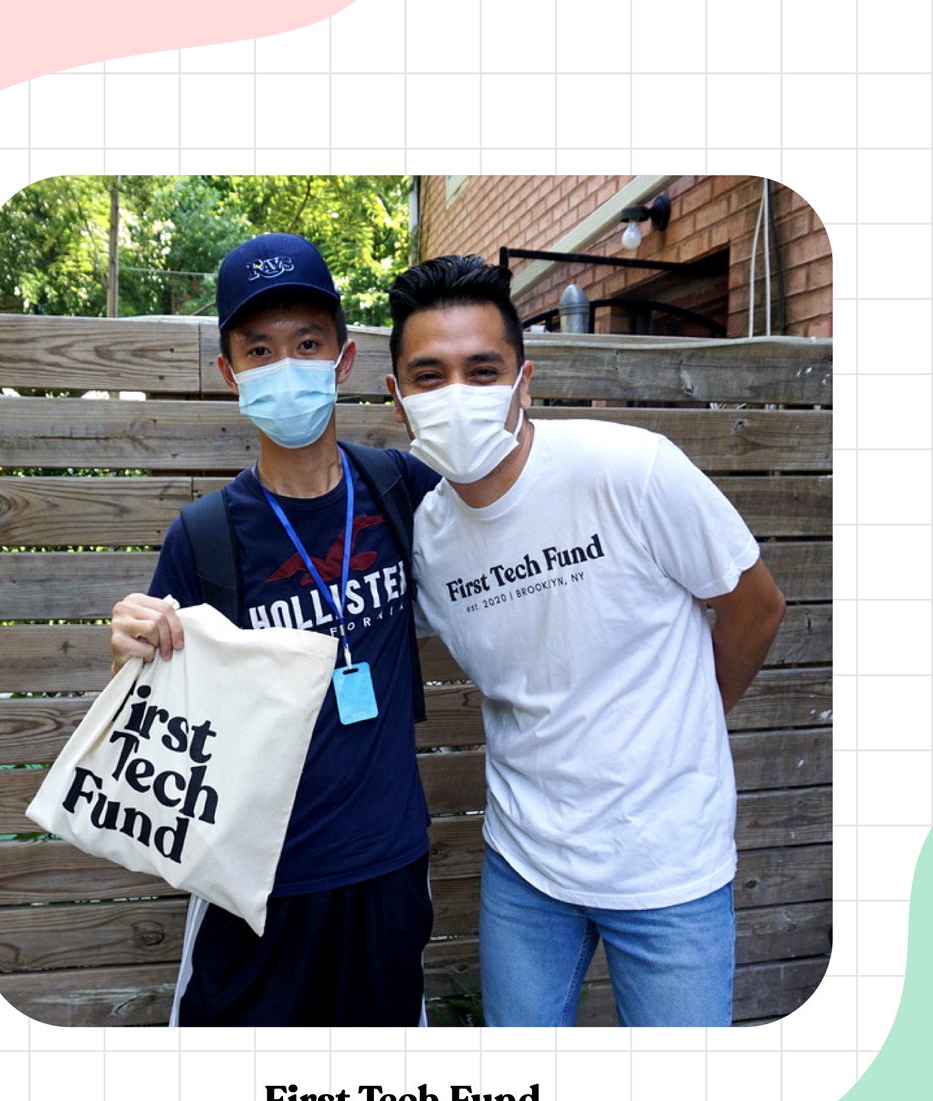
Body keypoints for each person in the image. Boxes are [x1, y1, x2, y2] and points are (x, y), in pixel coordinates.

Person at [385, 254, 786, 1027]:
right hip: (525, 867)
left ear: (524, 383)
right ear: (398, 397)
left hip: (669, 869)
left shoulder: (629, 470)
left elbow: (755, 608)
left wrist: (689, 721)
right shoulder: (427, 538)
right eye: (430, 376)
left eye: (483, 369)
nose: (457, 395)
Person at [110, 232, 440, 1026]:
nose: (284, 365)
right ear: (230, 374)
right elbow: (154, 703)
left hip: (388, 870)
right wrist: (131, 640)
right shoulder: (206, 535)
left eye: (305, 343)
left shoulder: (404, 488)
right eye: (258, 349)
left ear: (344, 358)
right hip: (253, 890)